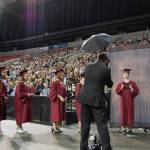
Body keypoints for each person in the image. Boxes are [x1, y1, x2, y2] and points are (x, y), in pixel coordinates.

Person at [77, 53, 113, 150]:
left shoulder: (88, 66)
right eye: (108, 61)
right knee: (102, 126)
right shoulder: (106, 70)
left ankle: (83, 148)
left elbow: (84, 75)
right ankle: (106, 148)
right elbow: (110, 85)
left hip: (85, 98)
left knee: (85, 126)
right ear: (105, 60)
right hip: (97, 101)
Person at [116, 69, 139, 136]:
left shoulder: (132, 83)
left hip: (130, 102)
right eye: (125, 73)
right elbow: (117, 92)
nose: (126, 74)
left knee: (130, 114)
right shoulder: (120, 84)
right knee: (123, 114)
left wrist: (132, 89)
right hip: (123, 102)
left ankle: (129, 129)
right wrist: (121, 88)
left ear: (129, 75)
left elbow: (137, 92)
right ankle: (123, 129)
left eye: (127, 73)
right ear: (123, 75)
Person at [49, 69, 67, 134]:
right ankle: (54, 127)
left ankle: (57, 127)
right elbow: (52, 92)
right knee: (56, 114)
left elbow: (63, 91)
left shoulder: (61, 82)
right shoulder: (55, 82)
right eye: (61, 74)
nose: (63, 75)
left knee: (59, 114)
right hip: (56, 101)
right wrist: (60, 97)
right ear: (58, 75)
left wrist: (65, 96)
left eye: (63, 74)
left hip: (61, 101)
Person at [0, 67, 8, 134]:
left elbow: (4, 90)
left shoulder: (4, 80)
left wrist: (5, 96)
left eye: (5, 72)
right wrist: (3, 96)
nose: (5, 73)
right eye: (3, 72)